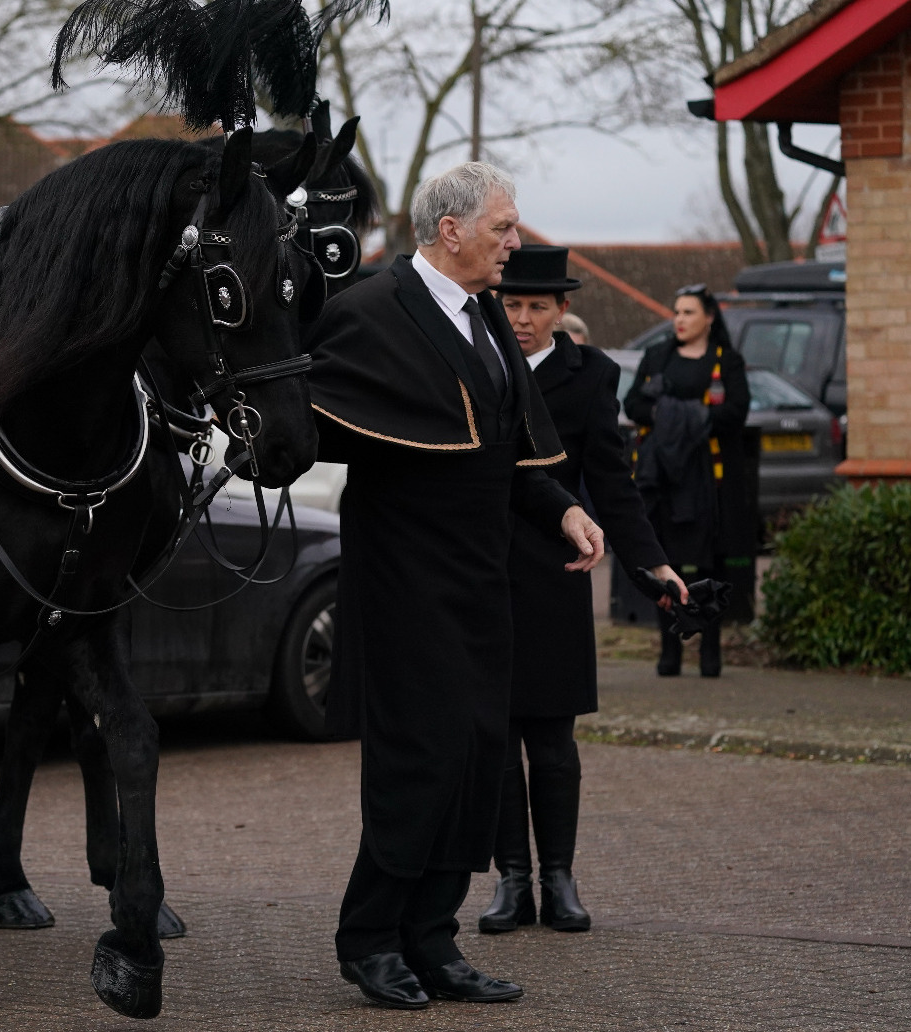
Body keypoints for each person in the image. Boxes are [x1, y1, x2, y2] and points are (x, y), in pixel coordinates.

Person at [309, 164, 605, 1010]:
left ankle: (433, 939)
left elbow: (505, 445)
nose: (517, 242)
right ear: (451, 230)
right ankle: (369, 939)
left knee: (477, 759)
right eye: (504, 228)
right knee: (421, 762)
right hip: (404, 583)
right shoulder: (368, 310)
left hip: (483, 584)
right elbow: (309, 417)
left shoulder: (481, 315)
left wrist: (561, 510)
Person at [478, 245, 688, 936]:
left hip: (557, 572)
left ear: (564, 310)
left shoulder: (592, 374)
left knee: (553, 739)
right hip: (480, 571)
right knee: (497, 737)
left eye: (538, 306)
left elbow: (615, 485)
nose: (524, 318)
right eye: (512, 304)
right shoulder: (475, 364)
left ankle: (558, 877)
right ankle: (512, 880)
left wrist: (652, 565)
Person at [623, 285, 751, 677]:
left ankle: (710, 653)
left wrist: (680, 417)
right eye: (676, 311)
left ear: (709, 317)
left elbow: (736, 411)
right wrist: (683, 415)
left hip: (707, 482)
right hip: (663, 479)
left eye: (689, 312)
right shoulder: (657, 356)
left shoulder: (726, 361)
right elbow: (634, 404)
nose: (679, 319)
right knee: (667, 563)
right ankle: (669, 651)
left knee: (710, 564)